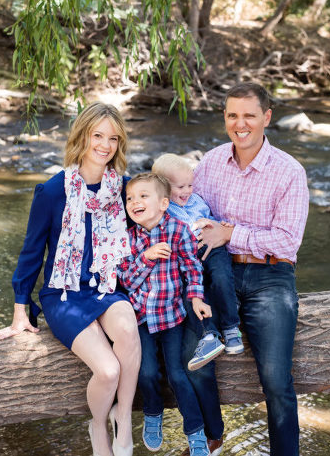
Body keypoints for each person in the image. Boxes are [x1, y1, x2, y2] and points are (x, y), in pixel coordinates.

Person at [0, 102, 141, 456]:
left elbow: (157, 217)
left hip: (106, 288)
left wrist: (201, 223)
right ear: (82, 136)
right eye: (97, 135)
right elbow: (31, 253)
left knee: (128, 325)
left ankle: (123, 419)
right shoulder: (53, 192)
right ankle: (97, 425)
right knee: (106, 371)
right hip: (64, 295)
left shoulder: (124, 190)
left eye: (113, 139)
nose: (105, 145)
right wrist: (19, 311)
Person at [185, 81, 309, 456]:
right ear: (225, 117)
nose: (241, 124)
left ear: (266, 118)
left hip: (269, 278)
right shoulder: (209, 164)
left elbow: (286, 242)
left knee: (275, 380)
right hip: (212, 271)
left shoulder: (288, 171)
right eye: (233, 115)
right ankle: (211, 439)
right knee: (195, 360)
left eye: (250, 116)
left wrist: (230, 234)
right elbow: (193, 220)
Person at [119, 173, 218, 456]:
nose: (134, 202)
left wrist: (196, 297)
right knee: (147, 372)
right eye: (129, 198)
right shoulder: (129, 238)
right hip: (141, 318)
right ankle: (153, 414)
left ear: (164, 203)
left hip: (172, 316)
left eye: (142, 196)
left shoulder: (178, 230)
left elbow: (192, 268)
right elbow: (125, 279)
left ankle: (195, 431)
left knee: (177, 374)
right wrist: (146, 257)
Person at [152, 153, 243, 360]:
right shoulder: (163, 211)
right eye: (180, 187)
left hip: (211, 248)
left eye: (189, 185)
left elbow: (211, 220)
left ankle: (231, 328)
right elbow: (170, 238)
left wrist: (220, 226)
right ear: (164, 188)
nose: (187, 192)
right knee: (192, 289)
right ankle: (208, 334)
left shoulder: (197, 201)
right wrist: (195, 226)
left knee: (222, 276)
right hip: (185, 257)